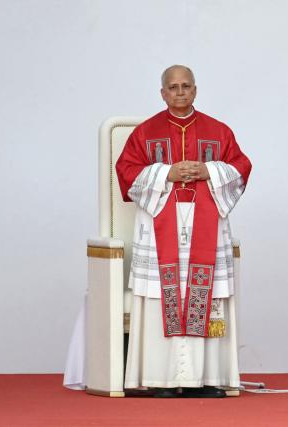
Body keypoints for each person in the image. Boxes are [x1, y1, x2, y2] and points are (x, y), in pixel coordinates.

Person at [115, 65, 251, 398]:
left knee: (206, 295)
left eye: (186, 86)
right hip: (161, 224)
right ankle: (161, 379)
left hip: (206, 223)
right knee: (163, 294)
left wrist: (207, 170)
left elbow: (241, 167)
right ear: (162, 92)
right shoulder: (146, 132)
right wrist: (166, 173)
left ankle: (205, 379)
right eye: (173, 87)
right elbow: (126, 172)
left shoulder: (218, 131)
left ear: (195, 90)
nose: (180, 92)